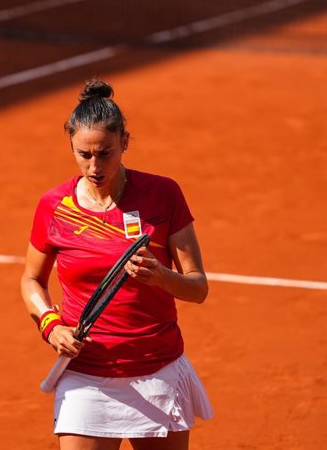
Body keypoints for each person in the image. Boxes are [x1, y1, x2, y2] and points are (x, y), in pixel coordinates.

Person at [20, 79, 213, 450]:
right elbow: (31, 280)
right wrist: (50, 325)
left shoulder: (164, 194)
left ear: (125, 142)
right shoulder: (53, 205)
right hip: (85, 374)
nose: (94, 166)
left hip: (156, 370)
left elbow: (198, 286)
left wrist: (163, 277)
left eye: (105, 153)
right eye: (84, 154)